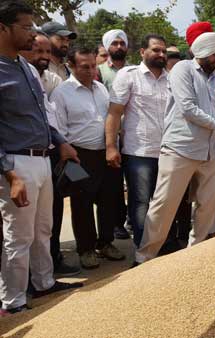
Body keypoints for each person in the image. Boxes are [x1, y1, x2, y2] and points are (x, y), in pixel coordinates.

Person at [0, 0, 82, 314]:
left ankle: (45, 282)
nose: (32, 35)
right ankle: (13, 302)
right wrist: (10, 174)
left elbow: (40, 115)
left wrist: (60, 141)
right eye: (25, 26)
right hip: (15, 164)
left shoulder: (25, 67)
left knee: (43, 230)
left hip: (43, 159)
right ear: (3, 28)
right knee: (17, 238)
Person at [134, 24, 215, 265]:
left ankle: (196, 255)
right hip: (179, 148)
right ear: (204, 50)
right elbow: (189, 109)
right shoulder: (182, 69)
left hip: (211, 151)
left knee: (208, 205)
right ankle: (144, 257)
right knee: (164, 205)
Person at [51, 47, 126, 269]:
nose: (91, 70)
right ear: (71, 66)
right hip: (77, 155)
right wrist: (67, 154)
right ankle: (86, 249)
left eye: (93, 65)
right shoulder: (62, 93)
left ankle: (105, 243)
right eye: (85, 66)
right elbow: (59, 128)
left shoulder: (102, 89)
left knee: (108, 200)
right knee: (81, 202)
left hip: (105, 153)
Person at [105, 34, 169, 248]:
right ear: (142, 52)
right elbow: (114, 113)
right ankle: (143, 250)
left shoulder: (172, 79)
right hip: (138, 152)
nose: (161, 54)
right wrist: (111, 146)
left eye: (163, 51)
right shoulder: (128, 75)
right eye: (156, 50)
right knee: (140, 203)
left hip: (169, 152)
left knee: (164, 203)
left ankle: (161, 246)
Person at [97, 28, 130, 240]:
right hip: (111, 134)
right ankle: (117, 224)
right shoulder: (99, 70)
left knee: (135, 181)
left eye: (122, 43)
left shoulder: (134, 70)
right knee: (114, 183)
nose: (119, 47)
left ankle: (131, 221)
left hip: (133, 133)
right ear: (107, 47)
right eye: (114, 43)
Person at [20, 31, 62, 95]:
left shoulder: (54, 81)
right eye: (39, 51)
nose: (45, 56)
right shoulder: (16, 77)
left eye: (48, 52)